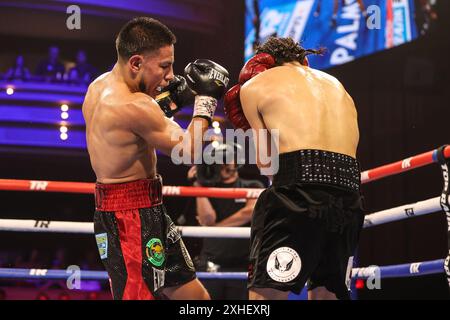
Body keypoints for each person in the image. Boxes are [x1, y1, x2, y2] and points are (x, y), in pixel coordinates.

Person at [82, 17, 229, 300]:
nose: (172, 76)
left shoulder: (98, 87)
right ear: (136, 63)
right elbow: (187, 151)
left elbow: (131, 130)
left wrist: (168, 104)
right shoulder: (136, 105)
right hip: (130, 217)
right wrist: (205, 102)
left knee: (196, 298)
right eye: (164, 66)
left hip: (143, 209)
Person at [224, 36, 364, 300]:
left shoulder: (255, 85)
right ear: (304, 60)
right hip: (349, 195)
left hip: (296, 192)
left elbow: (267, 165)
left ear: (263, 63)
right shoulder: (337, 85)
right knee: (327, 293)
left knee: (265, 296)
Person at [187, 143, 264, 300]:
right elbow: (208, 220)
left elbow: (248, 212)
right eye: (218, 159)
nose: (223, 162)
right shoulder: (208, 190)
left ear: (237, 161)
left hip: (243, 262)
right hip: (212, 262)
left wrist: (217, 228)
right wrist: (198, 185)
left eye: (227, 158)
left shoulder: (253, 186)